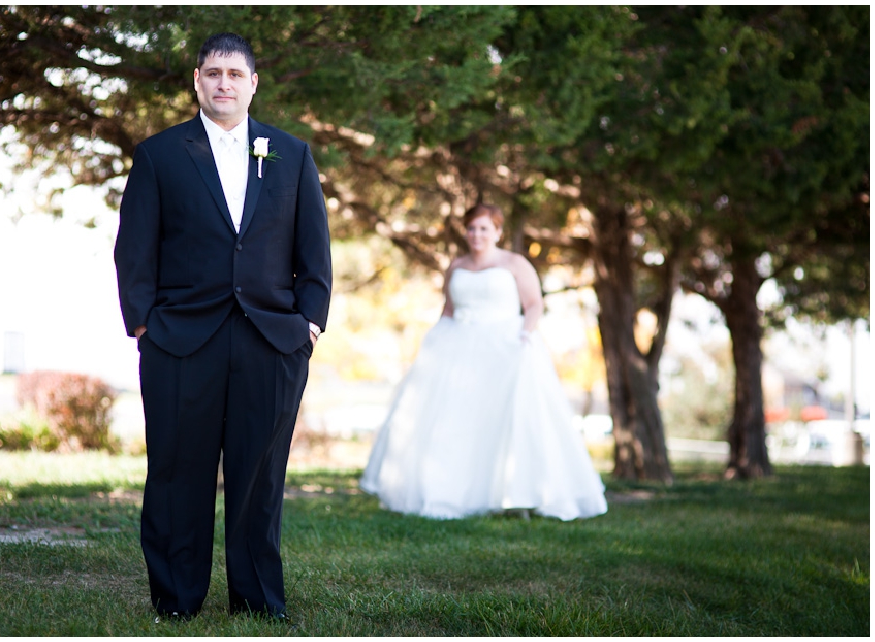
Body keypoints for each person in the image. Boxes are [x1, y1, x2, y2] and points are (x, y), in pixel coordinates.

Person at [114, 32, 331, 621]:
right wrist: (144, 327)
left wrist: (308, 325)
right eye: (213, 73)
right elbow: (134, 250)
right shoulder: (159, 155)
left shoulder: (292, 154)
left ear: (253, 83)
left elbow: (314, 255)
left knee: (259, 478)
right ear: (197, 81)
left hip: (271, 340)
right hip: (180, 341)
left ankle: (257, 602)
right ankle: (177, 601)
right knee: (177, 474)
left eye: (235, 74)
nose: (224, 83)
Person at [360, 203, 606, 520]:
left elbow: (533, 305)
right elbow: (449, 309)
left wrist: (525, 337)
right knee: (455, 420)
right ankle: (453, 493)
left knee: (509, 418)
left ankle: (518, 494)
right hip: (458, 346)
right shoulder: (457, 266)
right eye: (472, 228)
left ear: (498, 232)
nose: (477, 234)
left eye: (484, 228)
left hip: (505, 345)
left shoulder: (515, 264)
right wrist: (434, 340)